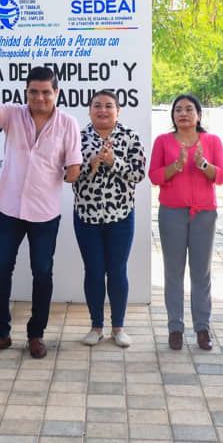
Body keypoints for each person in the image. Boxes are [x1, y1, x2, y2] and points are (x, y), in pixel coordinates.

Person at [0, 57, 82, 359]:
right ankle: (0, 334)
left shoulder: (68, 123)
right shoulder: (13, 115)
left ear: (56, 92)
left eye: (46, 92)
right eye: (33, 92)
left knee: (42, 273)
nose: (39, 98)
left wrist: (71, 170)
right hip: (8, 208)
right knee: (0, 270)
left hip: (45, 213)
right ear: (26, 93)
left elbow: (74, 169)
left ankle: (36, 334)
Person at [149, 94, 223, 351]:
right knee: (173, 272)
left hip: (204, 214)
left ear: (199, 115)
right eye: (178, 109)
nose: (183, 113)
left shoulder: (212, 140)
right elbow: (155, 176)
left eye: (189, 109)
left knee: (200, 272)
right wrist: (177, 165)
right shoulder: (162, 141)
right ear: (172, 115)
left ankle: (202, 328)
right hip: (172, 213)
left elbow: (221, 176)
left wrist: (202, 164)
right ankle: (175, 328)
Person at [73, 90, 146, 348]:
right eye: (97, 106)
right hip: (86, 216)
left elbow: (139, 174)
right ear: (90, 109)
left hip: (121, 216)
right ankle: (96, 326)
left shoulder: (129, 137)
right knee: (93, 272)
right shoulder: (78, 137)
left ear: (118, 110)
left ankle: (118, 327)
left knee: (117, 271)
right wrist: (90, 163)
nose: (102, 110)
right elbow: (67, 174)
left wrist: (114, 162)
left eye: (108, 106)